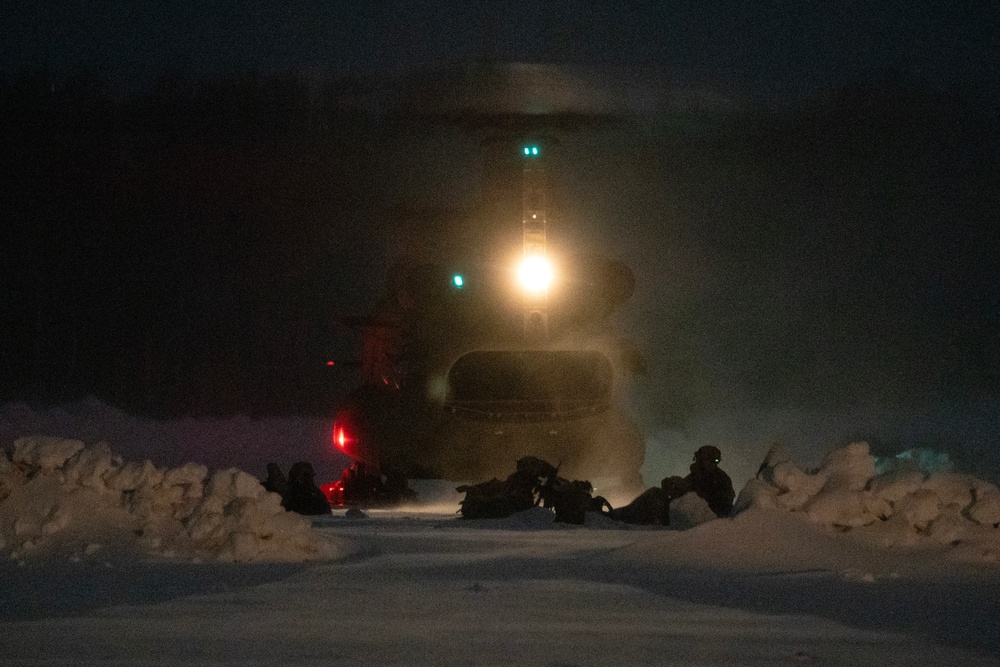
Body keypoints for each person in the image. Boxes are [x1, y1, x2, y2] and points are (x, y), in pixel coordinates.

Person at [684, 445, 735, 517]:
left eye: (716, 460)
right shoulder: (689, 479)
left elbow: (726, 506)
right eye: (709, 459)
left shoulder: (722, 479)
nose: (713, 464)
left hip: (714, 522)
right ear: (701, 460)